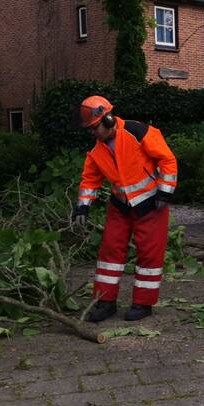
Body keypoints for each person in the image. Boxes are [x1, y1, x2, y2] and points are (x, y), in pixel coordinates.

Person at [72, 96, 177, 323]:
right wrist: (82, 207)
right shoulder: (97, 151)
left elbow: (167, 160)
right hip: (120, 206)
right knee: (109, 253)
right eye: (89, 129)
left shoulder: (138, 132)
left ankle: (143, 303)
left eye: (94, 127)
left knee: (149, 254)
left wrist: (165, 192)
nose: (92, 133)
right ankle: (105, 301)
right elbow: (89, 180)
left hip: (151, 204)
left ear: (108, 119)